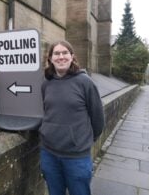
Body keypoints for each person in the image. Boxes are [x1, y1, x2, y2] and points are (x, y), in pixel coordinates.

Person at [39, 40, 105, 195]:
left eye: (65, 53)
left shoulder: (84, 82)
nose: (61, 57)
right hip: (49, 153)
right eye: (56, 53)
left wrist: (81, 140)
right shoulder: (46, 83)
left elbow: (98, 119)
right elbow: (46, 112)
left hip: (77, 157)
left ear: (72, 56)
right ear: (50, 58)